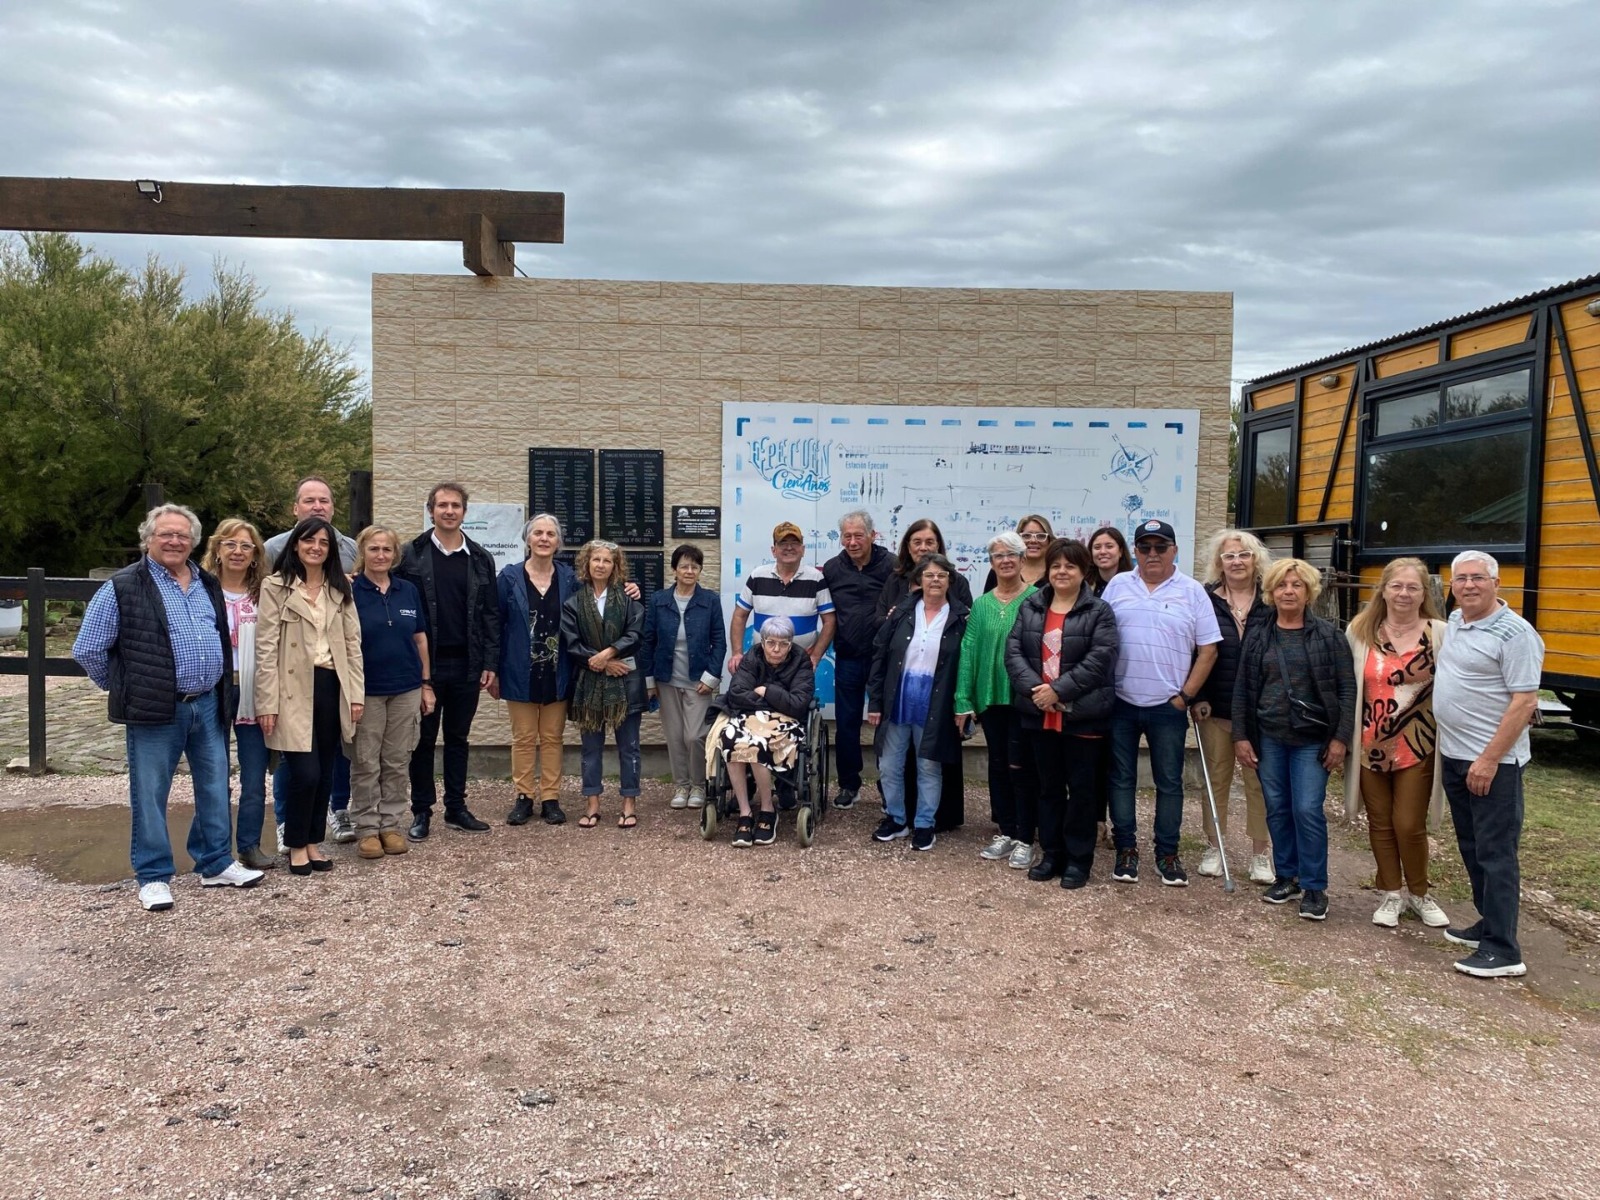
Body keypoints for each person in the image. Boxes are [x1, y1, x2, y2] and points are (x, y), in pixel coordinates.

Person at [73, 504, 266, 911]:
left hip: (209, 703)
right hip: (156, 708)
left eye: (182, 535)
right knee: (150, 792)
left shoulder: (205, 582)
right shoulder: (124, 586)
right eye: (166, 534)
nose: (174, 541)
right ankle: (154, 875)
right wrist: (125, 686)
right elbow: (88, 648)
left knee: (215, 786)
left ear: (193, 541)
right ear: (148, 539)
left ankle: (215, 862)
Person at [1433, 551, 1543, 979]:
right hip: (1457, 756)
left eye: (1478, 578)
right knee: (1472, 845)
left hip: (1493, 763)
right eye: (1460, 579)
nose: (1468, 586)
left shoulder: (1516, 634)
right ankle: (1488, 923)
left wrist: (1489, 759)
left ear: (1497, 583)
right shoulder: (1458, 621)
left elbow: (1524, 702)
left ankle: (1503, 949)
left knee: (1496, 852)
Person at [1232, 558, 1355, 922]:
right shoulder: (1258, 636)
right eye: (1282, 585)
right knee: (1278, 807)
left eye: (1296, 585)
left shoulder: (1329, 637)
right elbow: (1243, 690)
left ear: (1309, 592)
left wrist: (1340, 739)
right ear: (1271, 592)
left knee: (1306, 809)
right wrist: (1241, 736)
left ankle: (1315, 886)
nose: (1289, 591)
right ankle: (1287, 875)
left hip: (1311, 740)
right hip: (1269, 736)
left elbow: (1347, 691)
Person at [1101, 519, 1221, 886]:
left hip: (1168, 706)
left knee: (1169, 783)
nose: (1152, 554)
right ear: (1134, 551)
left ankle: (1167, 854)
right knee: (1120, 780)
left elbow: (1209, 649)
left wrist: (1186, 696)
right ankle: (1126, 850)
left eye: (1160, 547)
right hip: (1120, 702)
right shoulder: (1118, 585)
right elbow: (1100, 637)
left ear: (1174, 550)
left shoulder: (1193, 591)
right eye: (1144, 547)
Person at [1004, 538, 1119, 888]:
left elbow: (1101, 659)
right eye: (1056, 565)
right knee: (1048, 788)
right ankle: (1051, 853)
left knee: (1082, 791)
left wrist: (1059, 691)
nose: (1062, 571)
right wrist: (1040, 693)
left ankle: (1078, 860)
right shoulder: (1031, 607)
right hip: (1040, 715)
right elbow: (1013, 653)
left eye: (1070, 565)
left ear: (1084, 571)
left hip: (1082, 715)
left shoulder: (1099, 611)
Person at [1344, 558, 1451, 929]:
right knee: (1380, 822)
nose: (1404, 594)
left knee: (1408, 823)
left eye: (1413, 587)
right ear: (1384, 589)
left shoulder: (1441, 633)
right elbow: (1349, 688)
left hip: (1418, 744)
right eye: (1397, 586)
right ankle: (1391, 892)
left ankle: (1419, 893)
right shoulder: (1360, 630)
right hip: (1370, 743)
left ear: (1424, 593)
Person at [255, 518, 365, 876]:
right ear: (296, 545)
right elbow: (266, 648)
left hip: (333, 686)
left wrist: (356, 695)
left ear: (331, 549)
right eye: (309, 540)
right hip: (292, 690)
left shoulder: (340, 590)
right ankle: (295, 845)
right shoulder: (276, 587)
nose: (316, 547)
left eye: (323, 542)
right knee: (305, 772)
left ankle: (314, 842)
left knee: (327, 771)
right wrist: (266, 701)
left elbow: (353, 646)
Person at [398, 482, 501, 839]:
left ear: (464, 512)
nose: (449, 511)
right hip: (425, 667)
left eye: (455, 505)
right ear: (431, 510)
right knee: (423, 741)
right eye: (442, 505)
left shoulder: (480, 557)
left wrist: (490, 661)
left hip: (468, 665)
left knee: (458, 738)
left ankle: (456, 808)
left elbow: (490, 615)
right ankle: (422, 811)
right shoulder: (409, 554)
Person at [876, 518, 973, 833]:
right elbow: (881, 655)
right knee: (890, 765)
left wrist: (963, 702)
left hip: (936, 702)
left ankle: (925, 824)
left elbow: (967, 661)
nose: (935, 580)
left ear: (950, 580)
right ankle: (896, 818)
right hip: (898, 700)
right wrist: (874, 701)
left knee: (928, 767)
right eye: (928, 575)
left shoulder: (961, 618)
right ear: (918, 579)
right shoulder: (902, 612)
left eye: (941, 575)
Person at [1194, 528, 1275, 885]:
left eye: (1243, 555)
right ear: (1219, 562)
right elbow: (1193, 650)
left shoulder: (1271, 601)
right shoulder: (1205, 599)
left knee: (1260, 783)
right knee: (1216, 780)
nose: (1237, 561)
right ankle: (1214, 847)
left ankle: (1261, 854)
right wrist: (1196, 696)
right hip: (1216, 706)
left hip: (1262, 711)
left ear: (1255, 559)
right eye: (1229, 556)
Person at [954, 532, 1040, 871]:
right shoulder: (982, 604)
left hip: (1023, 698)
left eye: (1011, 555)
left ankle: (1026, 837)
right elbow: (968, 651)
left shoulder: (1037, 599)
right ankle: (1005, 829)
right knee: (998, 764)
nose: (1005, 560)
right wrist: (963, 697)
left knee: (1022, 766)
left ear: (1022, 560)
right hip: (990, 698)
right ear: (991, 563)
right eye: (998, 556)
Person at [348, 525, 432, 860]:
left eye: (387, 549)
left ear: (395, 554)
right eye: (374, 549)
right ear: (363, 552)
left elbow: (420, 638)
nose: (381, 555)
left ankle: (390, 824)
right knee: (366, 761)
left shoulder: (407, 590)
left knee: (397, 760)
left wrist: (426, 684)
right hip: (366, 690)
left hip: (407, 688)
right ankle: (367, 828)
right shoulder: (350, 590)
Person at [492, 515, 580, 827]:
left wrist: (630, 590)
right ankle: (524, 796)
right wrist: (494, 669)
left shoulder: (570, 579)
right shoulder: (510, 578)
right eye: (538, 533)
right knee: (524, 737)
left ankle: (551, 798)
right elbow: (495, 624)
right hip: (518, 670)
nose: (544, 538)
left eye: (551, 534)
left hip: (558, 670)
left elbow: (595, 603)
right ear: (528, 539)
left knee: (553, 737)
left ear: (559, 542)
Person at [200, 518, 276, 870]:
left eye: (246, 546)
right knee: (213, 771)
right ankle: (212, 849)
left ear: (256, 554)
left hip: (253, 688)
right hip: (213, 687)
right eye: (230, 544)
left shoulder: (266, 593)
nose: (238, 551)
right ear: (217, 549)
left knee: (254, 772)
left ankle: (249, 844)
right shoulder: (200, 589)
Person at [562, 540, 646, 829]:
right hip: (589, 684)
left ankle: (629, 803)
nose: (600, 565)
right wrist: (602, 663)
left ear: (615, 566)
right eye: (595, 559)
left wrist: (608, 653)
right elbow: (571, 644)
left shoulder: (629, 599)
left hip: (626, 681)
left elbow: (635, 635)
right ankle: (592, 803)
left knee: (629, 746)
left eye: (607, 561)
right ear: (587, 564)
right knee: (590, 748)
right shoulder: (573, 603)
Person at [714, 616, 815, 847]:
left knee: (757, 745)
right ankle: (745, 812)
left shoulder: (801, 661)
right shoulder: (753, 656)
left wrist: (766, 690)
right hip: (750, 717)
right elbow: (736, 692)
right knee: (730, 740)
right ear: (763, 642)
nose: (776, 649)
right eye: (771, 643)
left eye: (783, 644)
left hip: (786, 722)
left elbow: (798, 703)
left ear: (791, 644)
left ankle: (768, 810)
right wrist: (772, 700)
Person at [821, 509, 894, 810]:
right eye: (847, 536)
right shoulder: (832, 568)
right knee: (847, 723)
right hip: (849, 656)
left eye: (858, 535)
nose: (852, 542)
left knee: (888, 725)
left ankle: (888, 785)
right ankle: (849, 784)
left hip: (885, 658)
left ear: (872, 535)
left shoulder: (892, 565)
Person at [643, 544, 726, 810]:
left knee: (695, 735)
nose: (689, 571)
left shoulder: (710, 601)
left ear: (700, 570)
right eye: (684, 566)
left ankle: (699, 785)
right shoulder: (658, 600)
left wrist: (712, 677)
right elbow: (648, 641)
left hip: (698, 681)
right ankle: (681, 785)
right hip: (666, 679)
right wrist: (648, 681)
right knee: (675, 736)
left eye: (695, 566)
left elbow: (719, 641)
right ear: (674, 569)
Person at [728, 521, 835, 672]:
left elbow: (830, 621)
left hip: (800, 666)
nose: (789, 547)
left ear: (803, 550)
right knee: (759, 695)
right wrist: (737, 653)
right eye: (783, 543)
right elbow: (740, 615)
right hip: (761, 663)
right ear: (773, 550)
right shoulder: (757, 576)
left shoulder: (816, 578)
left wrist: (816, 656)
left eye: (794, 543)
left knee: (797, 697)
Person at [982, 514, 1053, 592]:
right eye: (1026, 536)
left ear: (1049, 540)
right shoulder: (1002, 568)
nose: (1033, 541)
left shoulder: (1056, 571)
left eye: (1040, 536)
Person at [1088, 526, 1133, 598]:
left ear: (1120, 551)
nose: (1102, 552)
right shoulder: (1083, 587)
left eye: (1109, 546)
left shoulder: (1133, 585)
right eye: (1097, 547)